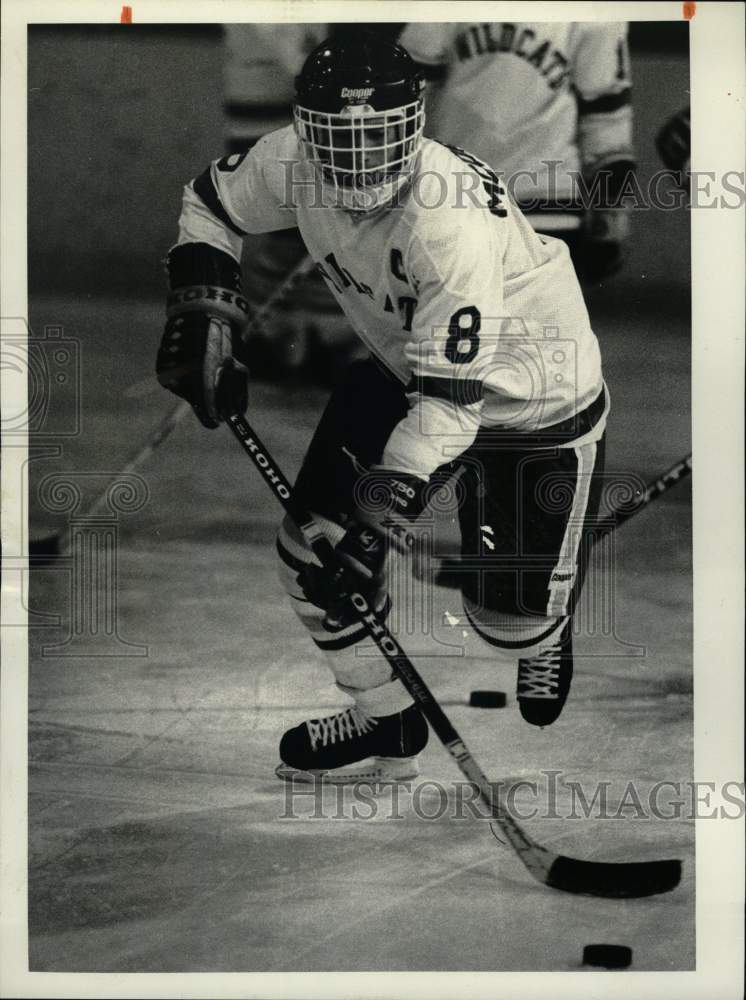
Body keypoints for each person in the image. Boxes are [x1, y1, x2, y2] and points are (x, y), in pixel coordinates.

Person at [156, 34, 609, 783]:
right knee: (312, 556)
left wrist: (379, 526)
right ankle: (386, 718)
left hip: (534, 401)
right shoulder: (289, 163)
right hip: (413, 372)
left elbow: (449, 414)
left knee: (510, 624)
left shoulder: (448, 223)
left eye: (378, 134)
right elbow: (208, 203)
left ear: (416, 122)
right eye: (338, 136)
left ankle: (544, 628)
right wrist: (203, 313)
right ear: (306, 128)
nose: (359, 158)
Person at [398, 21, 635, 284]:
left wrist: (610, 215)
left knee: (515, 322)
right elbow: (409, 88)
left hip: (542, 200)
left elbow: (605, 115)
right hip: (462, 197)